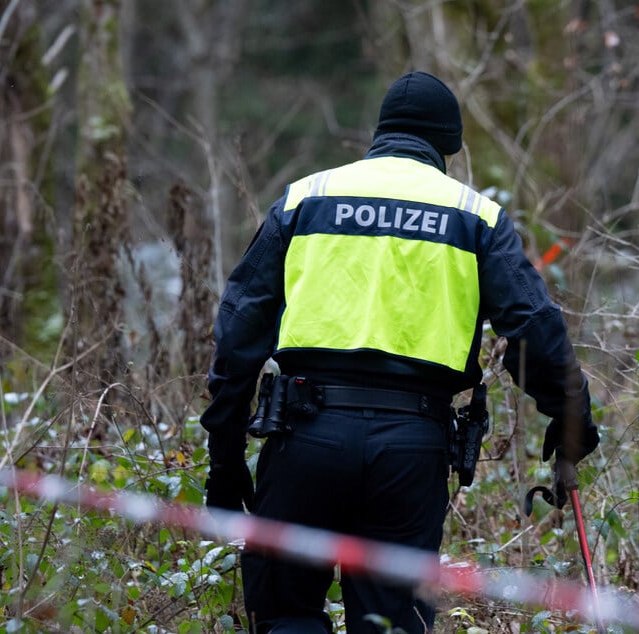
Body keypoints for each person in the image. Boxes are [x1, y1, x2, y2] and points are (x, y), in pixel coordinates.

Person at [199, 71, 600, 633]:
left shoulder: (305, 199)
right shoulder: (476, 217)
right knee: (389, 623)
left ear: (379, 133)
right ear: (449, 145)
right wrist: (572, 417)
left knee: (287, 616)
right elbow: (533, 325)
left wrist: (224, 456)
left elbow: (240, 330)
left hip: (304, 438)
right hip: (411, 451)